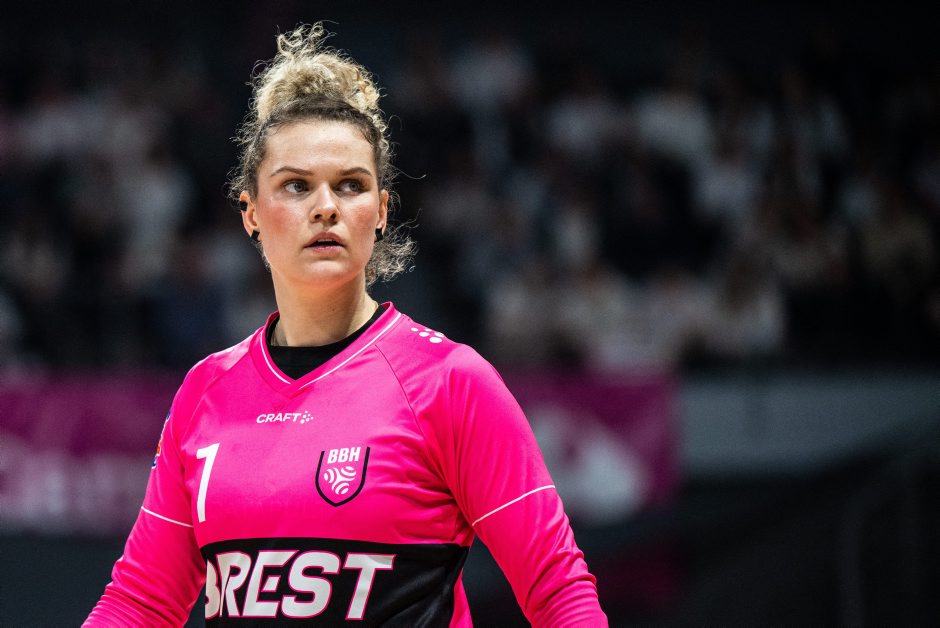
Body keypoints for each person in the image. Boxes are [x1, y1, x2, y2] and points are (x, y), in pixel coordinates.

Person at [85, 23, 606, 626]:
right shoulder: (205, 391)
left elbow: (558, 589)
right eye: (296, 185)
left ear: (381, 210)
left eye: (351, 185)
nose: (326, 207)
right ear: (250, 212)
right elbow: (140, 602)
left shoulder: (450, 382)